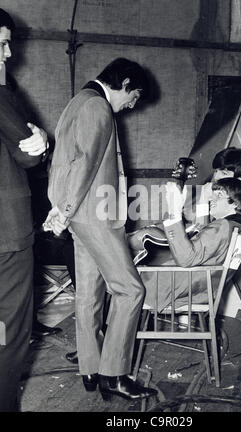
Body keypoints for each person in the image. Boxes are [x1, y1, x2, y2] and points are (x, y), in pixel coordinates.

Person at [44, 58, 157, 401]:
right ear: (123, 83)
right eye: (133, 96)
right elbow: (84, 165)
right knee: (130, 291)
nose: (132, 105)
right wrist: (63, 211)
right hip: (94, 213)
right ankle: (115, 374)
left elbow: (65, 162)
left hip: (80, 212)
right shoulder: (98, 108)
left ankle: (91, 368)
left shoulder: (77, 102)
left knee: (90, 293)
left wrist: (60, 207)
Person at [0, 9, 49, 412]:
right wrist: (41, 139)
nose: (8, 52)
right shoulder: (1, 91)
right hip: (7, 237)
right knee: (9, 335)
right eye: (0, 43)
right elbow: (29, 156)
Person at [138, 177, 241, 312]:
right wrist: (203, 199)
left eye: (219, 195)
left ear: (235, 203)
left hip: (175, 288)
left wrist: (174, 211)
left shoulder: (223, 226)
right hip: (203, 290)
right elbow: (205, 239)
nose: (213, 199)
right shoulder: (238, 229)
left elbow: (186, 258)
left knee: (124, 276)